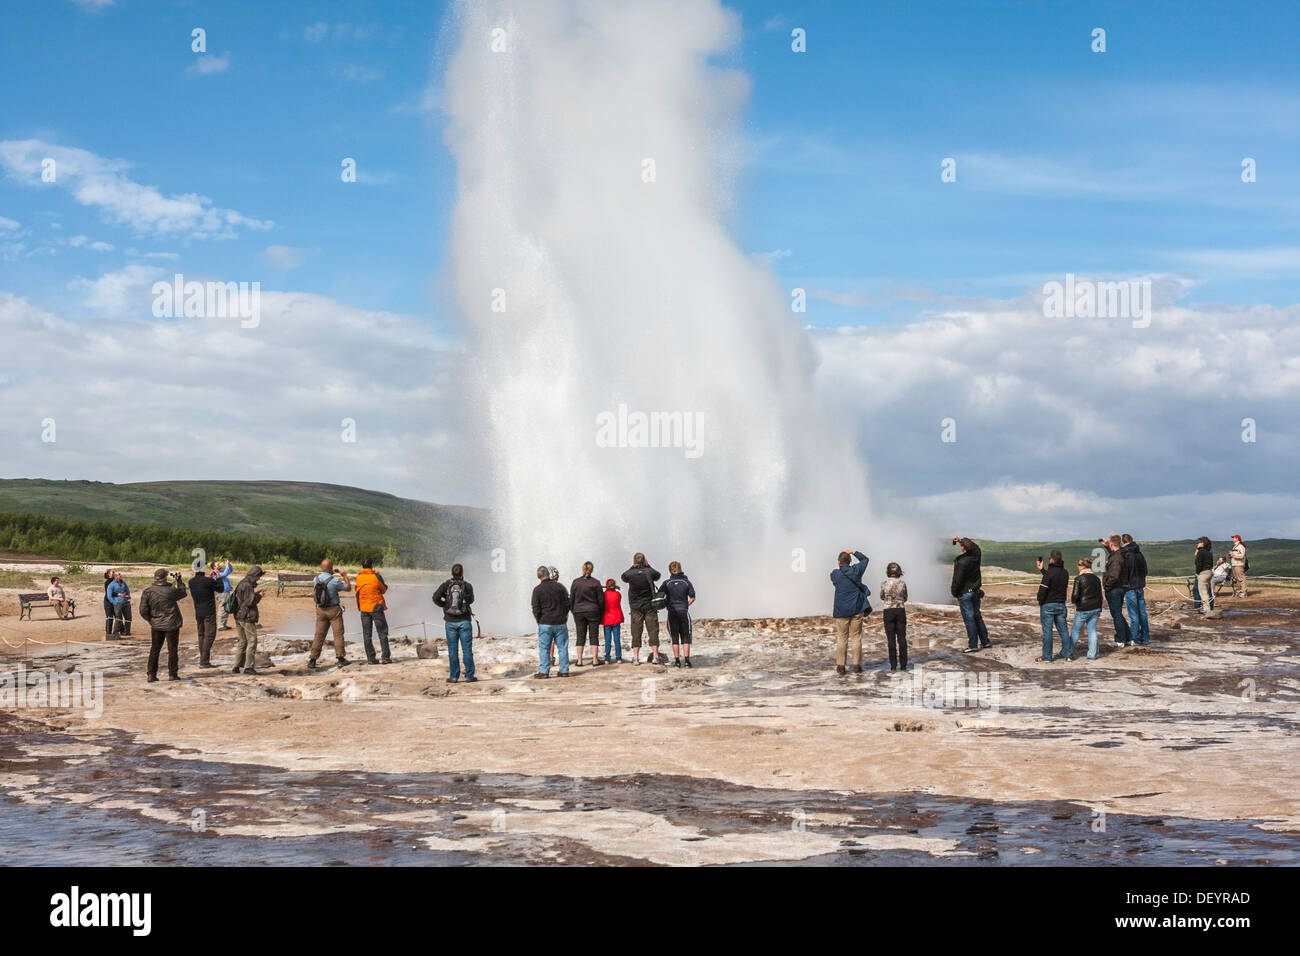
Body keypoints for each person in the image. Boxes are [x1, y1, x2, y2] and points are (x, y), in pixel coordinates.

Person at [138, 568, 188, 683]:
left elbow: (143, 610)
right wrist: (179, 580)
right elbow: (183, 592)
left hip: (157, 624)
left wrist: (151, 620)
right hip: (171, 624)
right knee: (172, 650)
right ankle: (172, 674)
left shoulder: (148, 591)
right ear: (165, 577)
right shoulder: (170, 590)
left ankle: (151, 674)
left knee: (155, 649)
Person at [830, 548, 871, 674]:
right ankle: (856, 665)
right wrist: (853, 552)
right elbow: (865, 559)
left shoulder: (835, 574)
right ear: (850, 561)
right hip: (857, 609)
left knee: (842, 638)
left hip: (841, 611)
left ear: (838, 562)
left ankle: (841, 666)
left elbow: (834, 580)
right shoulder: (856, 571)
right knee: (856, 638)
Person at [434, 563, 476, 683]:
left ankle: (453, 676)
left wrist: (446, 606)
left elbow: (435, 597)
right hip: (465, 622)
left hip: (450, 622)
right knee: (467, 650)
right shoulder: (467, 586)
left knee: (453, 651)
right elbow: (471, 600)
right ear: (462, 573)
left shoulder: (446, 585)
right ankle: (469, 676)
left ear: (452, 573)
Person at [309, 559, 352, 669]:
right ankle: (340, 658)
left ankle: (312, 660)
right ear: (330, 568)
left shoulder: (316, 579)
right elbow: (348, 588)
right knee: (338, 634)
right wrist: (344, 575)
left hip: (320, 610)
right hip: (333, 610)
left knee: (319, 635)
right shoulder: (334, 581)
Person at [951, 537, 991, 652]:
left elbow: (957, 580)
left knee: (969, 619)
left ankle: (973, 645)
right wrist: (960, 540)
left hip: (965, 593)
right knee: (977, 616)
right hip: (975, 591)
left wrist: (954, 592)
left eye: (961, 545)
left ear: (963, 548)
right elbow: (976, 547)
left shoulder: (962, 562)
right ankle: (985, 642)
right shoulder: (976, 556)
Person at [622, 553, 663, 665]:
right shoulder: (649, 571)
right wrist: (647, 565)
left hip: (635, 607)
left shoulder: (630, 573)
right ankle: (655, 656)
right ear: (644, 560)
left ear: (634, 561)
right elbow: (658, 575)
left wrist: (633, 566)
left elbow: (623, 577)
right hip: (650, 606)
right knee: (653, 631)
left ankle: (636, 658)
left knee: (636, 632)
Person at [531, 565, 570, 678]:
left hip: (545, 623)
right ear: (548, 574)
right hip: (560, 622)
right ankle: (564, 670)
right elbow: (568, 603)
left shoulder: (537, 590)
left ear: (539, 576)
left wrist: (539, 620)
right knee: (562, 647)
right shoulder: (560, 587)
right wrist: (564, 615)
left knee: (544, 648)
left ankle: (544, 672)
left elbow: (535, 608)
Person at [658, 561, 696, 667]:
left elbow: (659, 596)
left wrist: (666, 604)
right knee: (685, 637)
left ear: (670, 570)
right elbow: (693, 597)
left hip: (672, 612)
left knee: (674, 637)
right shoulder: (686, 582)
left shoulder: (667, 583)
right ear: (680, 568)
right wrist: (686, 605)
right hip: (683, 611)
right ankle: (687, 661)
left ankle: (677, 661)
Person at [354, 558, 391, 665]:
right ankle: (385, 657)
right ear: (372, 565)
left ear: (362, 566)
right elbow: (383, 589)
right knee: (382, 632)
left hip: (364, 608)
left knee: (366, 634)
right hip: (376, 607)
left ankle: (371, 658)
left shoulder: (359, 577)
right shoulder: (376, 576)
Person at [1035, 550, 1069, 662]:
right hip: (1061, 604)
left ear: (1051, 559)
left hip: (1048, 604)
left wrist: (1040, 600)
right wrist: (1042, 570)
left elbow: (1043, 589)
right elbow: (1055, 579)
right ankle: (1068, 654)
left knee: (1048, 631)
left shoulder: (1049, 573)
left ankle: (1047, 657)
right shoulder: (1065, 572)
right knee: (1063, 630)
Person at [188, 564, 224, 668]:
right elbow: (220, 588)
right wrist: (218, 577)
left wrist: (210, 578)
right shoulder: (208, 581)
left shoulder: (191, 582)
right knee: (210, 635)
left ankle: (205, 660)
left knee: (201, 635)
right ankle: (204, 661)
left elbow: (203, 585)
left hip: (198, 612)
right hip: (209, 612)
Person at [231, 565, 265, 674]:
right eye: (258, 576)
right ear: (255, 575)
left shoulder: (243, 583)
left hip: (239, 615)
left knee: (242, 641)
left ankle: (236, 666)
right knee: (252, 640)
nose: (258, 579)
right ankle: (248, 667)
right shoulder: (247, 585)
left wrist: (255, 593)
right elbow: (250, 602)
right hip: (247, 616)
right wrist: (259, 596)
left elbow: (245, 598)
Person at [570, 561, 605, 666]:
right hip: (593, 611)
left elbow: (571, 598)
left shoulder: (576, 582)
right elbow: (601, 600)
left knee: (580, 636)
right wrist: (600, 612)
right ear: (592, 570)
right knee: (594, 636)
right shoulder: (596, 583)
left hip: (578, 611)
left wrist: (573, 610)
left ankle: (579, 661)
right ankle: (595, 660)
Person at [1070, 557, 1104, 660]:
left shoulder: (1079, 579)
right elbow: (1100, 595)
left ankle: (1068, 652)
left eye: (1079, 564)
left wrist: (1074, 602)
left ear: (1083, 566)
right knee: (1092, 630)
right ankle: (1092, 655)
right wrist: (1099, 608)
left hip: (1083, 608)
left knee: (1075, 631)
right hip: (1095, 607)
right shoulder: (1096, 578)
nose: (1077, 566)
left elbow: (1075, 596)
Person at [1101, 534, 1130, 646]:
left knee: (1116, 614)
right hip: (1120, 587)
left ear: (1112, 544)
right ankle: (1127, 637)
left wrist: (1107, 586)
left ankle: (1120, 639)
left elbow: (1114, 575)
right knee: (1118, 614)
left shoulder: (1117, 558)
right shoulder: (1121, 554)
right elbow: (1115, 553)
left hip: (1114, 588)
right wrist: (1107, 546)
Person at [1121, 534, 1150, 646]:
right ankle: (1145, 637)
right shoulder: (1139, 553)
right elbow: (1145, 570)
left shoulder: (1126, 554)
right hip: (1140, 586)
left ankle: (1135, 638)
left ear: (1123, 542)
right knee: (1142, 613)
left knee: (1133, 614)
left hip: (1130, 587)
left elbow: (1125, 572)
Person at [880, 562, 908, 672]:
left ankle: (893, 666)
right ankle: (904, 665)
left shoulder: (884, 584)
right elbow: (905, 597)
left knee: (891, 639)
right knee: (902, 639)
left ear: (888, 572)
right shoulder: (902, 583)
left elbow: (882, 596)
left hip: (888, 611)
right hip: (900, 610)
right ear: (899, 572)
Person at [601, 578, 624, 664]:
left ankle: (607, 659)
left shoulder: (604, 595)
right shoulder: (618, 594)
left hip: (607, 619)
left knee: (607, 641)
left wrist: (604, 587)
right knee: (617, 640)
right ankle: (619, 658)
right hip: (616, 619)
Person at [1193, 537, 1215, 616]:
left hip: (1203, 573)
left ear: (1202, 543)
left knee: (1203, 592)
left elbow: (1198, 564)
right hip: (1209, 572)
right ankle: (1208, 608)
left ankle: (1206, 609)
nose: (1197, 544)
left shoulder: (1201, 552)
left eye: (1198, 542)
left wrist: (1198, 573)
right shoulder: (1208, 552)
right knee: (1206, 591)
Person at [106, 570, 132, 638]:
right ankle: (115, 632)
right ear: (115, 576)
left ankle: (127, 632)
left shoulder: (123, 582)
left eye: (120, 574)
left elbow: (127, 590)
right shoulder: (111, 585)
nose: (120, 575)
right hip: (118, 603)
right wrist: (114, 602)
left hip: (125, 602)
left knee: (128, 617)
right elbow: (109, 596)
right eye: (119, 574)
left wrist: (128, 596)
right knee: (119, 618)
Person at [214, 559, 234, 630]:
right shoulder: (215, 573)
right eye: (217, 565)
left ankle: (223, 624)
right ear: (214, 567)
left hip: (225, 593)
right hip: (222, 593)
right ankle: (220, 625)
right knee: (222, 608)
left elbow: (230, 570)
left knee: (226, 608)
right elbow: (225, 573)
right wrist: (226, 565)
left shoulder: (220, 572)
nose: (219, 566)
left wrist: (229, 564)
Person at [102, 570, 115, 638]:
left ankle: (120, 631)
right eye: (113, 572)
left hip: (114, 601)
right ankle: (108, 633)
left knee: (118, 617)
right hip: (108, 602)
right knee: (110, 617)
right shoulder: (107, 582)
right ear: (108, 575)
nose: (114, 573)